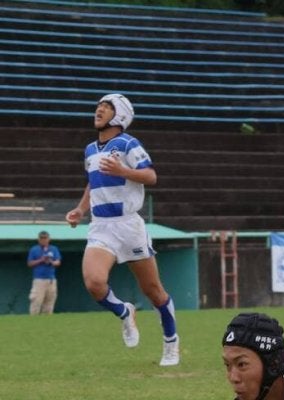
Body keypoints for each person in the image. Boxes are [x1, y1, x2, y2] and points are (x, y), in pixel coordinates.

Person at [65, 94, 180, 366]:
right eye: (98, 106)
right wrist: (80, 209)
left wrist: (123, 171)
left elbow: (151, 176)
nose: (99, 110)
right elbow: (93, 183)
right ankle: (125, 312)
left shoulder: (129, 143)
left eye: (106, 107)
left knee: (153, 290)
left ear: (120, 115)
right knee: (94, 282)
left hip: (128, 226)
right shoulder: (90, 150)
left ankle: (171, 343)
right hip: (101, 226)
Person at [26, 230, 61, 315]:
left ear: (49, 239)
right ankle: (33, 319)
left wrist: (51, 262)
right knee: (36, 301)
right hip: (39, 280)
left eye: (45, 238)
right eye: (41, 238)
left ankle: (46, 320)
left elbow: (58, 262)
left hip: (51, 280)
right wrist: (41, 260)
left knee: (49, 302)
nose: (43, 240)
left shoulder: (53, 249)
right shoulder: (34, 249)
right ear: (38, 239)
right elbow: (29, 263)